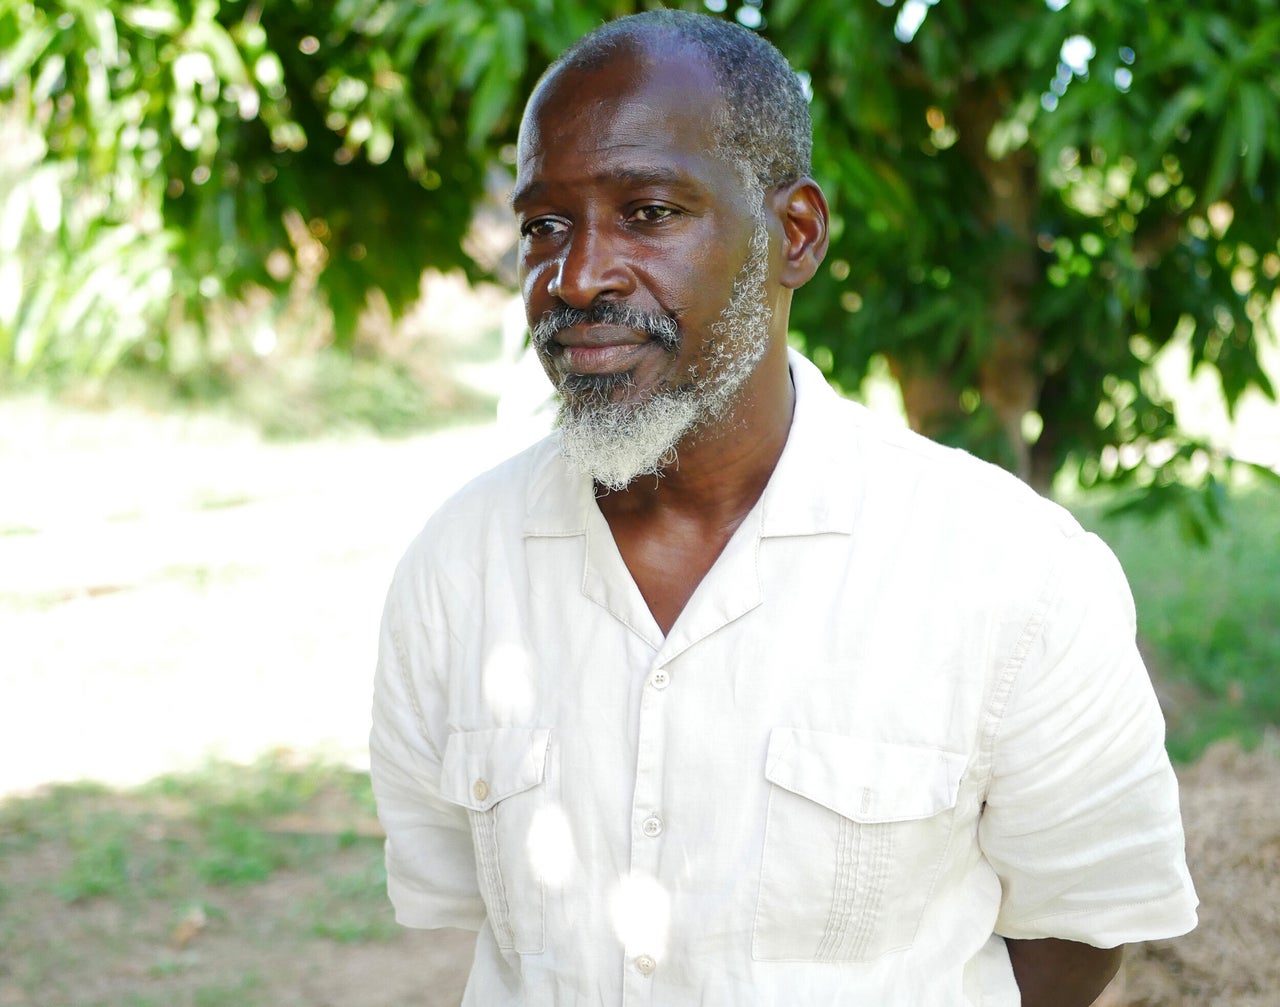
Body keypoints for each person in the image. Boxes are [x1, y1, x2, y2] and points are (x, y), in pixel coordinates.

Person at [370, 10, 1197, 1005]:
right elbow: (467, 911)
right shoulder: (457, 571)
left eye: (647, 211)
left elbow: (1078, 926)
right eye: (545, 224)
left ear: (790, 235)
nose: (576, 275)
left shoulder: (1007, 571)